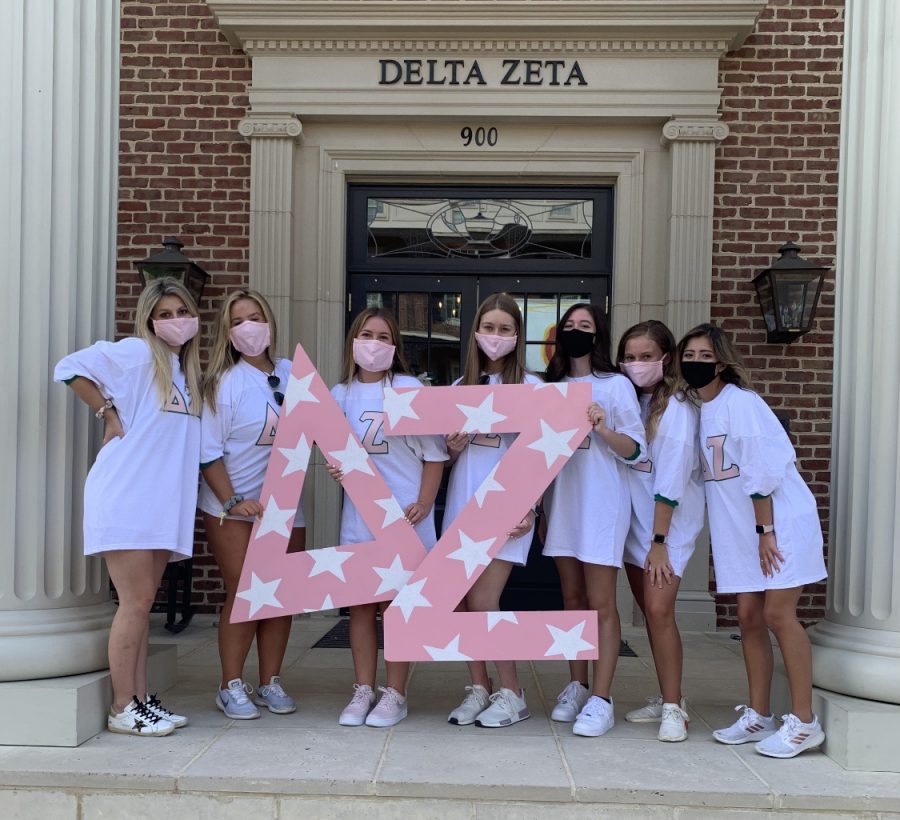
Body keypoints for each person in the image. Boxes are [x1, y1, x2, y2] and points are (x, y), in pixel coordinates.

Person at [54, 278, 202, 736]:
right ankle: (123, 707)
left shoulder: (182, 368)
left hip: (159, 501)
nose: (177, 321)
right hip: (128, 495)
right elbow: (69, 367)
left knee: (142, 604)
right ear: (150, 320)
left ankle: (139, 699)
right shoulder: (137, 353)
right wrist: (108, 413)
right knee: (135, 604)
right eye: (166, 313)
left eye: (183, 311)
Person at [678, 322, 826, 758]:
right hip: (741, 531)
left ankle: (804, 722)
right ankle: (759, 714)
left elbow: (761, 471)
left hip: (776, 524)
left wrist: (766, 532)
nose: (697, 364)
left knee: (779, 614)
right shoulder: (697, 409)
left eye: (706, 357)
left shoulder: (741, 403)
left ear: (722, 362)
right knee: (747, 616)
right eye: (690, 356)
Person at [329, 307, 447, 728]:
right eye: (366, 334)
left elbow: (435, 455)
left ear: (394, 345)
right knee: (361, 606)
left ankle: (395, 692)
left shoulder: (409, 388)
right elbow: (336, 453)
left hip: (405, 517)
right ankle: (363, 688)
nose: (374, 343)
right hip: (360, 517)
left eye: (383, 336)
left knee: (398, 606)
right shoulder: (338, 394)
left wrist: (425, 502)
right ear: (353, 340)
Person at [540, 303, 646, 738]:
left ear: (598, 334)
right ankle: (578, 684)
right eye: (570, 326)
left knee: (601, 602)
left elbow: (636, 451)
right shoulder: (549, 386)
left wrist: (602, 428)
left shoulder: (616, 385)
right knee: (571, 597)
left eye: (585, 326)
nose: (577, 332)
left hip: (602, 504)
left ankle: (602, 697)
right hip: (562, 502)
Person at [200, 289, 306, 720]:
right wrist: (231, 499)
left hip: (285, 504)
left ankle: (270, 680)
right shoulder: (223, 382)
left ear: (270, 322)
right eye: (239, 320)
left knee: (280, 597)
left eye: (256, 316)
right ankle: (230, 684)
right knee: (245, 594)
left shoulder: (292, 372)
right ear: (228, 330)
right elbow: (208, 452)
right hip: (234, 506)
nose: (249, 326)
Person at [444, 293, 543, 728]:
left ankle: (512, 692)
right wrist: (450, 449)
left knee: (485, 598)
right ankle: (479, 687)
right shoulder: (457, 390)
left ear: (518, 335)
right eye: (489, 328)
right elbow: (443, 460)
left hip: (506, 506)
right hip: (463, 504)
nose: (496, 337)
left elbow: (546, 454)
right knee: (465, 602)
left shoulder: (534, 388)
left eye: (505, 329)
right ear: (476, 333)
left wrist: (531, 507)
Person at [617, 320, 703, 742]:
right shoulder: (628, 402)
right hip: (633, 523)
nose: (637, 365)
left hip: (665, 529)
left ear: (666, 359)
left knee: (658, 612)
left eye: (647, 357)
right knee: (650, 615)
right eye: (630, 357)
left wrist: (659, 543)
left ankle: (673, 708)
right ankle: (671, 695)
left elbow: (670, 479)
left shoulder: (677, 407)